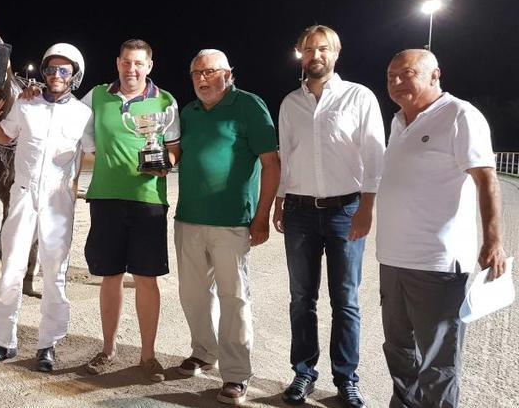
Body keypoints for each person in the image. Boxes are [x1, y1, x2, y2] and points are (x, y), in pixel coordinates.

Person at [376, 49, 506, 408]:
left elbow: (486, 180)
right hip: (393, 260)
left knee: (439, 362)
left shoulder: (460, 115)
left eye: (407, 74)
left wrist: (493, 239)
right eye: (391, 76)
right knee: (399, 350)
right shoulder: (399, 121)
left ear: (435, 75)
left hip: (438, 265)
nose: (397, 81)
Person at [273, 25, 385, 408]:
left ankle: (346, 378)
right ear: (300, 54)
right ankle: (303, 373)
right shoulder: (290, 103)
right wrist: (279, 200)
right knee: (301, 298)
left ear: (336, 53)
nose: (315, 55)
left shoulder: (359, 97)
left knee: (346, 300)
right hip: (300, 211)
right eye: (308, 49)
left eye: (323, 49)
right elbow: (286, 157)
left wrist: (367, 207)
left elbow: (375, 158)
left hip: (346, 210)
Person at [0, 43, 92, 372]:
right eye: (51, 69)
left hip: (58, 200)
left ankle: (47, 345)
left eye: (63, 71)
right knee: (10, 271)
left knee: (55, 275)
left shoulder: (84, 115)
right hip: (22, 195)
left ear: (74, 76)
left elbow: (99, 151)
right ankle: (2, 343)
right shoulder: (27, 104)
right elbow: (4, 137)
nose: (55, 75)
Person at [174, 50, 280, 404]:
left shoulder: (250, 106)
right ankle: (203, 351)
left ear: (228, 74)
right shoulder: (187, 113)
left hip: (232, 222)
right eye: (196, 73)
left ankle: (236, 373)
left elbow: (271, 163)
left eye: (209, 72)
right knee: (192, 294)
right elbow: (173, 152)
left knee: (233, 298)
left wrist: (262, 215)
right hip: (188, 218)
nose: (202, 79)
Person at [81, 39, 180, 382]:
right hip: (106, 198)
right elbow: (71, 119)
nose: (131, 69)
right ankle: (108, 349)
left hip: (148, 200)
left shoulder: (165, 101)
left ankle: (148, 356)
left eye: (138, 63)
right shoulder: (96, 96)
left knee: (145, 278)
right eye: (126, 62)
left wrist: (162, 162)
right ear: (117, 63)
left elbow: (174, 149)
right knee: (110, 277)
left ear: (149, 66)